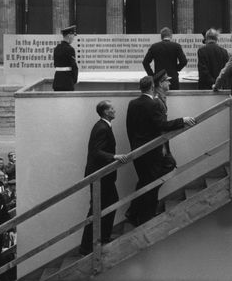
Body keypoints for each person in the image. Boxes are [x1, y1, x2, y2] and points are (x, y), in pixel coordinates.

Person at [125, 76, 195, 226]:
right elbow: (162, 125)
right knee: (151, 183)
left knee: (146, 181)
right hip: (152, 151)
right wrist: (182, 120)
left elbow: (129, 128)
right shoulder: (154, 104)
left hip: (138, 151)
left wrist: (134, 148)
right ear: (152, 87)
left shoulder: (132, 103)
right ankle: (145, 218)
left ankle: (134, 212)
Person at [79, 100, 128, 255]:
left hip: (103, 175)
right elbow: (96, 152)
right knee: (97, 208)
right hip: (100, 175)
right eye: (111, 108)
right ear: (106, 112)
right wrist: (114, 156)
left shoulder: (103, 125)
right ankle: (87, 247)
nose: (114, 110)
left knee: (108, 203)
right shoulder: (102, 127)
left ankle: (102, 238)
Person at [52, 25, 79, 91]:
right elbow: (74, 66)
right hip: (67, 82)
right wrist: (74, 80)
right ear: (69, 36)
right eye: (73, 35)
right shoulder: (70, 49)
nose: (73, 38)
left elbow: (55, 64)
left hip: (57, 81)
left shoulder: (56, 49)